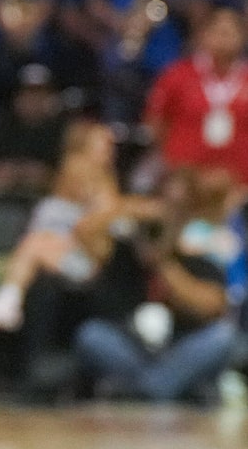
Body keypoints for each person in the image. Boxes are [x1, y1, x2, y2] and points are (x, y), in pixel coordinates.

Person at [71, 169, 243, 403]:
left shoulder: (196, 253)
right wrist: (130, 208)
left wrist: (163, 263)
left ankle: (146, 391)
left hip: (179, 351)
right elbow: (83, 231)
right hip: (132, 349)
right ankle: (162, 389)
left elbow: (212, 306)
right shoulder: (123, 252)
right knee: (91, 334)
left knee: (222, 337)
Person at [0, 120, 119, 332]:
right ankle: (9, 298)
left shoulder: (106, 188)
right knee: (33, 244)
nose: (110, 149)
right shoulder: (75, 167)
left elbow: (98, 239)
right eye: (104, 142)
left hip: (84, 264)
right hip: (54, 254)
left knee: (34, 244)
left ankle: (9, 298)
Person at [144, 5, 248, 186]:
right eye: (218, 31)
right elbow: (156, 121)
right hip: (185, 179)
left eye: (230, 32)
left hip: (238, 181)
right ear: (204, 34)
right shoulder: (177, 75)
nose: (224, 39)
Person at [0, 62, 68, 191]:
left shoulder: (64, 131)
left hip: (50, 203)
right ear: (17, 98)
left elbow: (74, 176)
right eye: (29, 94)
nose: (34, 101)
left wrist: (47, 174)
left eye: (41, 94)